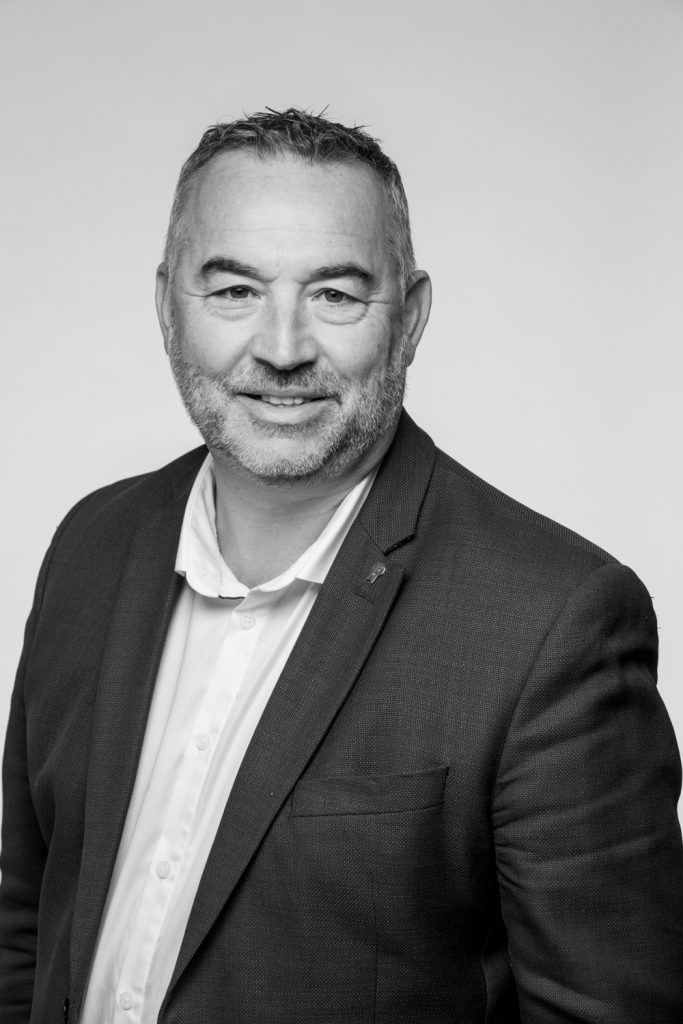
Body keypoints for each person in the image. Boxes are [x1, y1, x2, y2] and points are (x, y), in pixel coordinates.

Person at [1, 108, 682, 1024]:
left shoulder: (551, 624)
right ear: (167, 306)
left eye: (335, 295)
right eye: (234, 289)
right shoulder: (90, 544)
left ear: (411, 318)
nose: (282, 349)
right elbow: (25, 920)